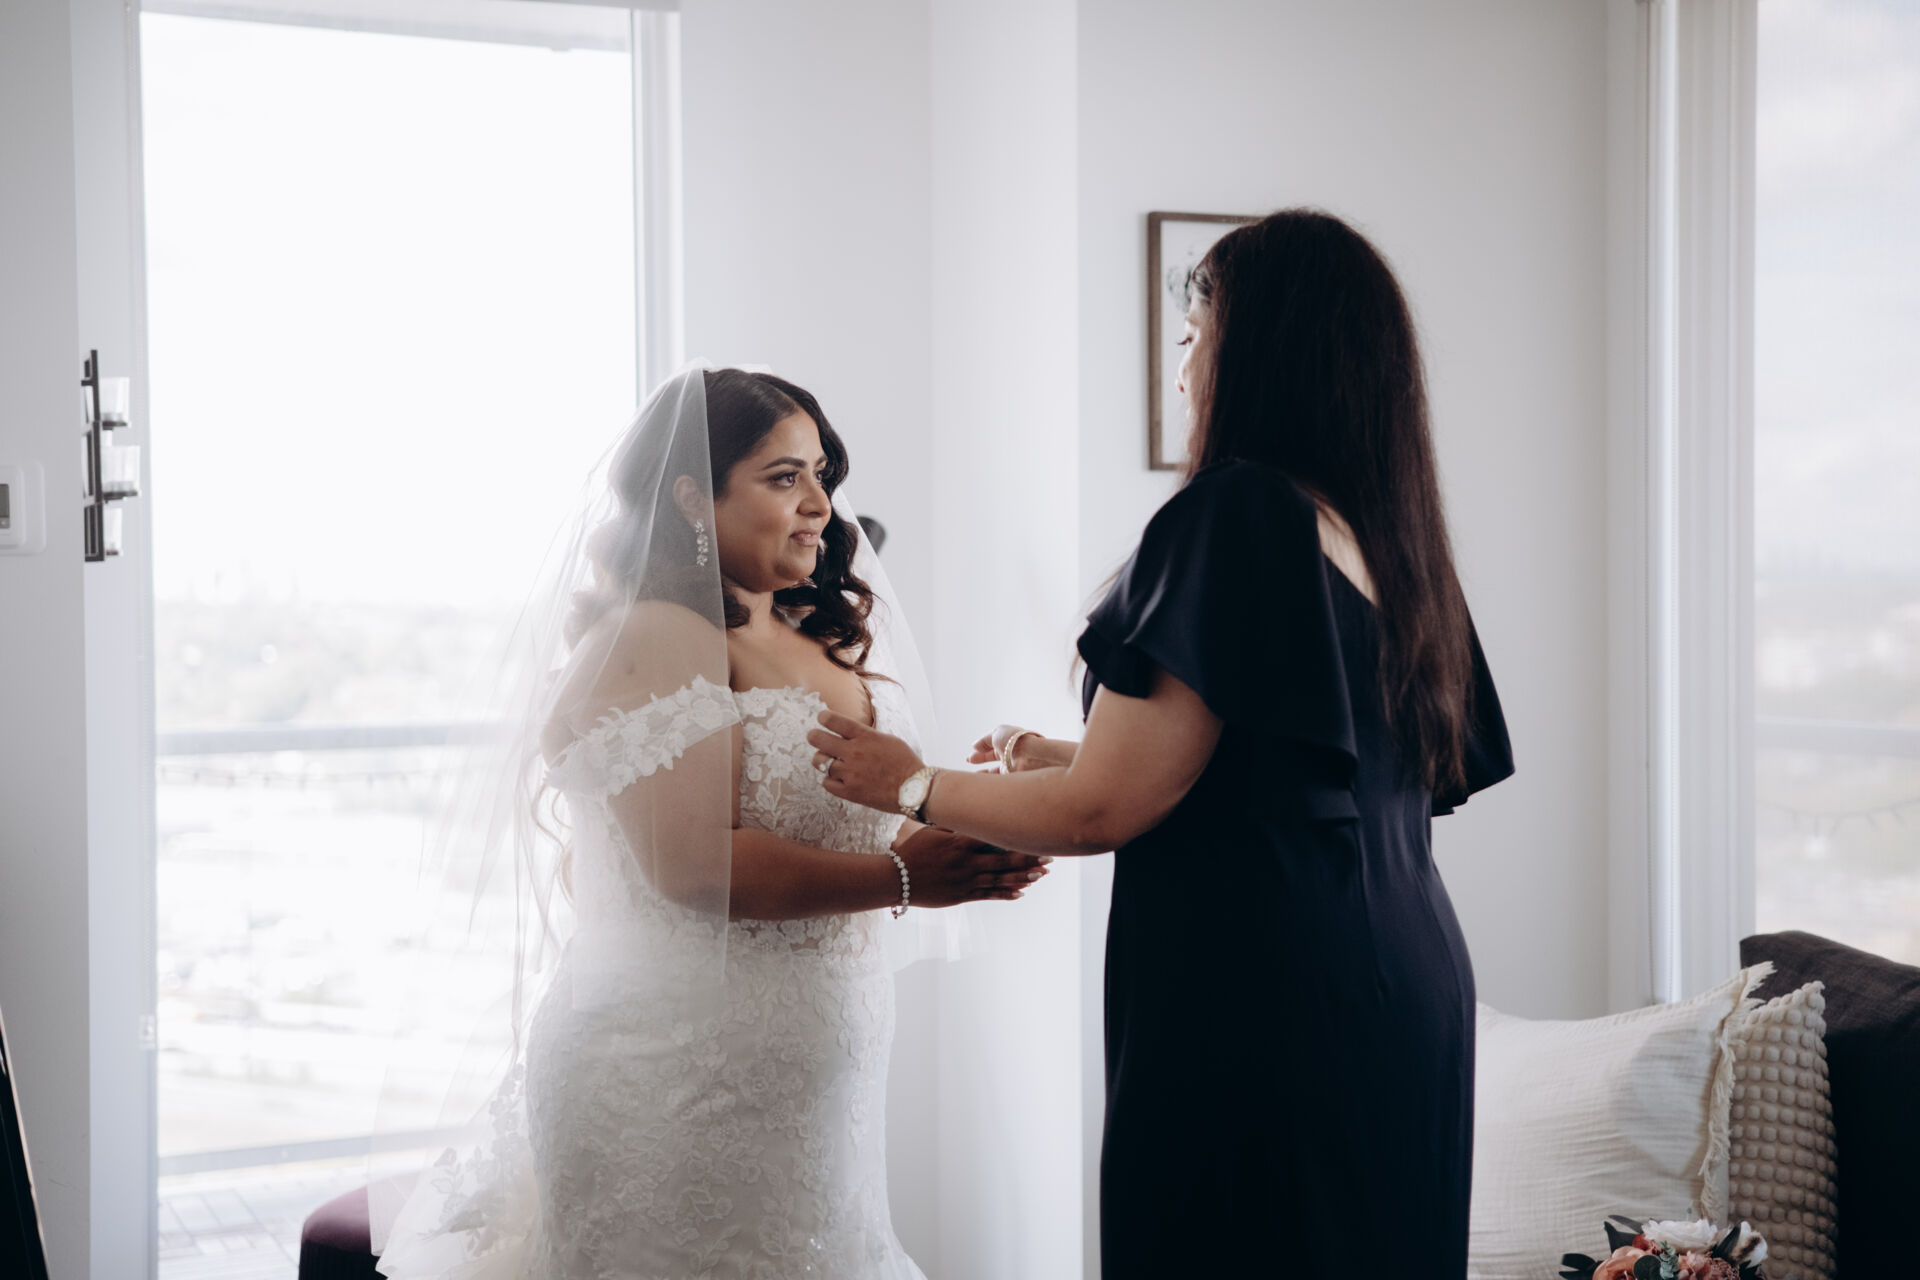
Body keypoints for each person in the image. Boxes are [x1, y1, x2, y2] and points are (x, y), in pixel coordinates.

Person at [809, 210, 1514, 1278]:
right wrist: (1063, 751)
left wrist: (909, 783)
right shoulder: (1388, 539)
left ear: (1260, 349)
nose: (1182, 371)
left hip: (1265, 998)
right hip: (1402, 983)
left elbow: (1105, 809)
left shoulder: (1235, 511)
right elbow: (1291, 770)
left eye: (1193, 336)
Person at [371, 367, 1048, 1279]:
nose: (820, 504)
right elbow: (692, 867)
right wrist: (904, 878)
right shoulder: (662, 630)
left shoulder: (813, 634)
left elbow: (839, 818)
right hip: (676, 1080)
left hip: (813, 1084)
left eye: (821, 475)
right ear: (693, 495)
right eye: (783, 477)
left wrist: (962, 829)